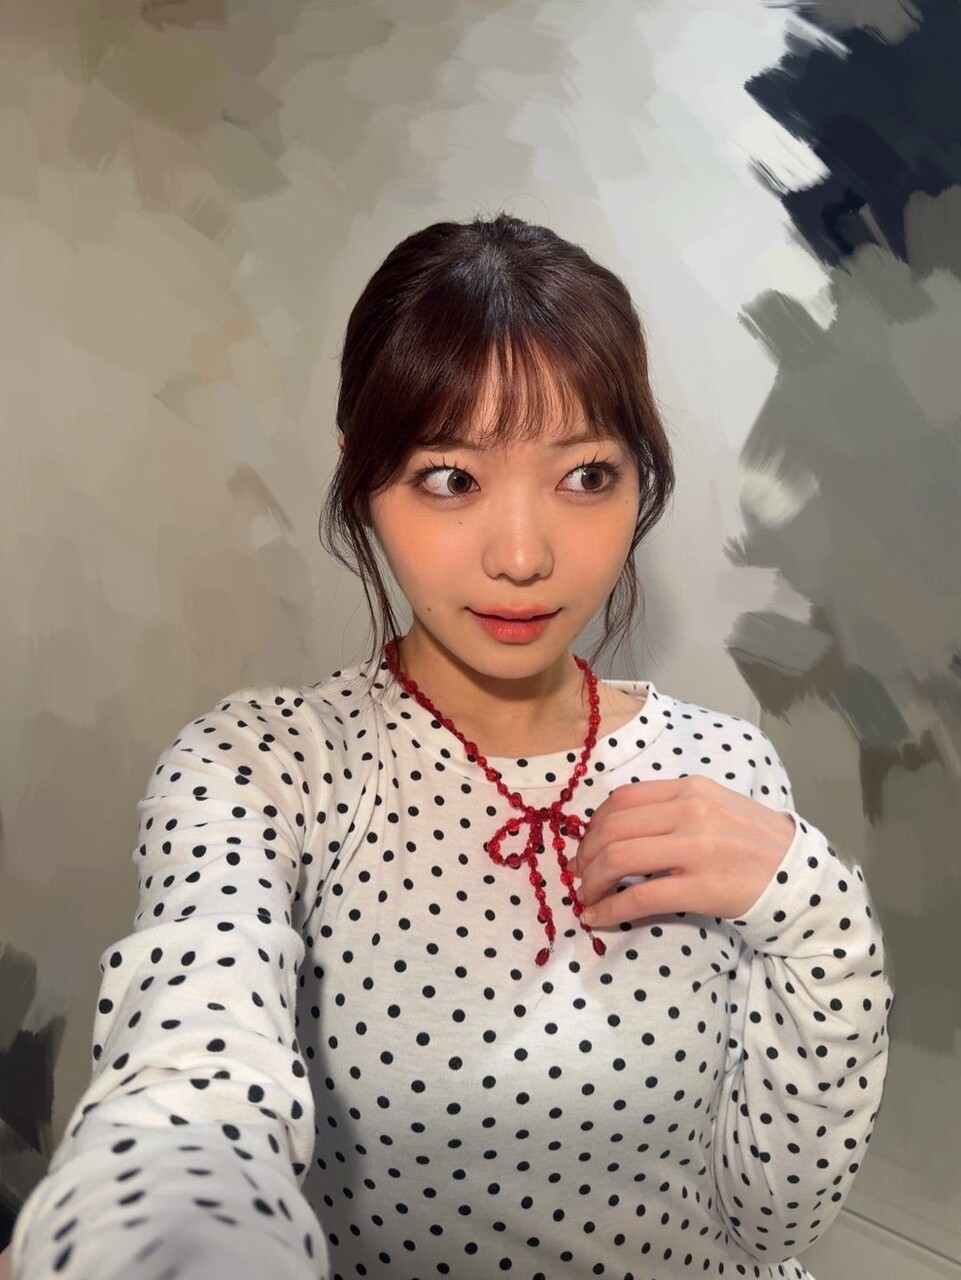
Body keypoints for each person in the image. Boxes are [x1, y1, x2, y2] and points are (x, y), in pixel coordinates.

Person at [10, 214, 892, 1280]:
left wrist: (820, 912)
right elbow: (190, 1072)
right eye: (449, 478)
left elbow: (774, 1226)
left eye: (585, 475)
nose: (521, 556)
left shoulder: (723, 768)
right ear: (362, 475)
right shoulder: (262, 771)